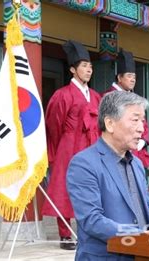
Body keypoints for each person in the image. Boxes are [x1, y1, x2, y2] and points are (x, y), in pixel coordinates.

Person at [67, 91, 149, 260]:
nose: (141, 128)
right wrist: (140, 235)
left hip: (141, 255)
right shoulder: (84, 163)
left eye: (143, 121)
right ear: (109, 124)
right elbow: (92, 220)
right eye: (135, 120)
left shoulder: (136, 164)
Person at [42, 40, 101, 250]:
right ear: (72, 70)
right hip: (69, 147)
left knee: (91, 189)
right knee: (66, 188)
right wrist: (62, 148)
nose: (88, 70)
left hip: (91, 147)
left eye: (90, 66)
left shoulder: (95, 97)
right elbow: (54, 125)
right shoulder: (62, 95)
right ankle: (65, 234)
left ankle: (86, 230)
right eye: (84, 66)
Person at [103, 49, 149, 169]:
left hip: (136, 151)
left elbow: (143, 124)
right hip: (116, 150)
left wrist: (143, 141)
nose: (133, 79)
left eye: (134, 77)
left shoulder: (135, 98)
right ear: (119, 77)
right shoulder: (108, 97)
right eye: (129, 76)